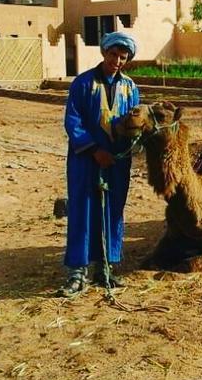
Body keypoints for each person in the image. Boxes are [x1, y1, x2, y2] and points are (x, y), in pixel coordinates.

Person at [59, 32, 141, 297]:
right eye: (114, 55)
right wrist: (94, 149)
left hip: (117, 162)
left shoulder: (130, 87)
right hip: (85, 160)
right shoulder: (82, 84)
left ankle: (105, 267)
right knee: (84, 210)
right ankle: (78, 271)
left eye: (123, 57)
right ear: (104, 53)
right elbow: (73, 121)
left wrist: (131, 144)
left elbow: (135, 123)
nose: (117, 61)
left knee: (112, 211)